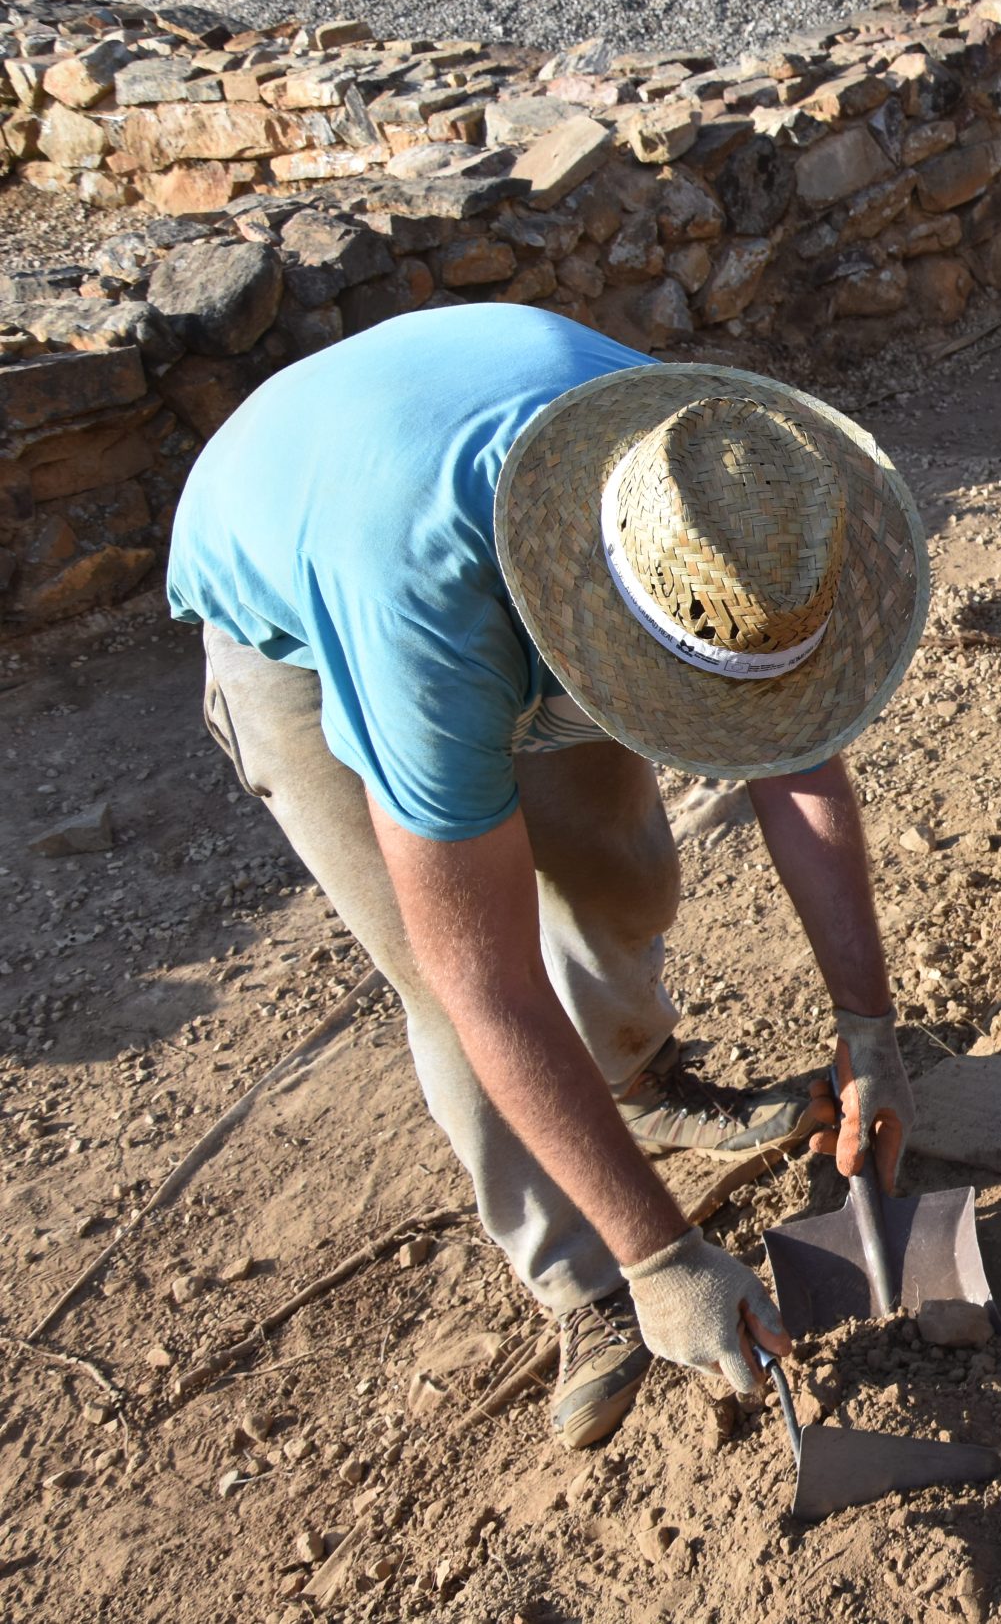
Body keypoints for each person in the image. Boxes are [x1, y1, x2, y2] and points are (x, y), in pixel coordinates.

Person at [165, 303, 932, 1447]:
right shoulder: (422, 621)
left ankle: (636, 1086)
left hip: (463, 487)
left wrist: (868, 1027)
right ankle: (587, 1280)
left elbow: (795, 767)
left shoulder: (730, 498)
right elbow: (488, 985)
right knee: (446, 980)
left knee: (618, 871)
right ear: (606, 622)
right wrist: (663, 1253)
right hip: (306, 617)